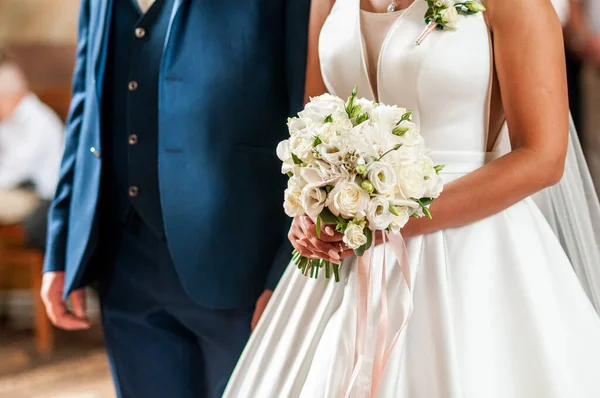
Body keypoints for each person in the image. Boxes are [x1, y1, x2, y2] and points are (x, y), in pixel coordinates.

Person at [224, 0, 600, 397]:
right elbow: (314, 124)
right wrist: (311, 208)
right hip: (346, 254)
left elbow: (543, 157)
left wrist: (386, 221)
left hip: (471, 254)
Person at [40, 0, 310, 397]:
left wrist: (284, 271)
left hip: (240, 263)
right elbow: (85, 107)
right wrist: (62, 246)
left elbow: (306, 111)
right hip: (123, 262)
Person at [0, 51, 64, 250]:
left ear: (12, 95)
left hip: (39, 199)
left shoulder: (38, 121)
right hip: (13, 191)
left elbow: (15, 171)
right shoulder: (9, 122)